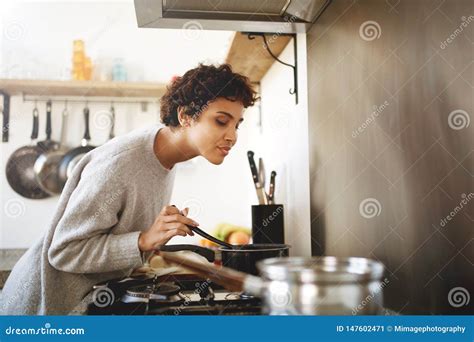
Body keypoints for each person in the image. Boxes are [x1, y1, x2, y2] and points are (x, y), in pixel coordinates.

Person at [0, 63, 257, 315]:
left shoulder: (166, 156)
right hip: (39, 308)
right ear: (186, 116)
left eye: (237, 124)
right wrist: (143, 240)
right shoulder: (121, 163)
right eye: (222, 121)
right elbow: (64, 251)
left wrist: (152, 239)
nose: (232, 136)